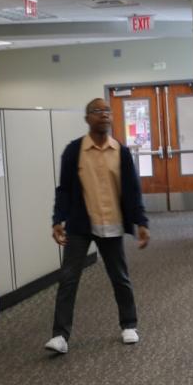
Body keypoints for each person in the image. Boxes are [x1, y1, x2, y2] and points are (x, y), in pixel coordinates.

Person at [47, 98, 150, 355]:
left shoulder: (121, 152)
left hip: (112, 224)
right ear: (87, 119)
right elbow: (64, 190)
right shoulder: (74, 151)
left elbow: (133, 191)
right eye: (97, 111)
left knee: (120, 278)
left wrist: (141, 222)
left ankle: (129, 325)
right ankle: (60, 335)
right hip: (81, 225)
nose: (103, 115)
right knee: (68, 279)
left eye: (107, 111)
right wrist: (57, 219)